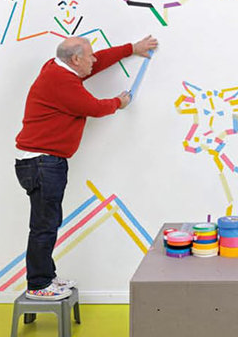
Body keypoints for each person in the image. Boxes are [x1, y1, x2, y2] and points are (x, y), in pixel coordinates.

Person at [14, 34, 158, 301]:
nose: (94, 59)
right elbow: (93, 107)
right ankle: (38, 284)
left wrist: (131, 48)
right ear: (75, 60)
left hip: (43, 162)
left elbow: (98, 62)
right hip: (43, 163)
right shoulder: (61, 81)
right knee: (44, 226)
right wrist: (119, 102)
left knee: (48, 223)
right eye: (89, 55)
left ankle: (46, 276)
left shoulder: (57, 68)